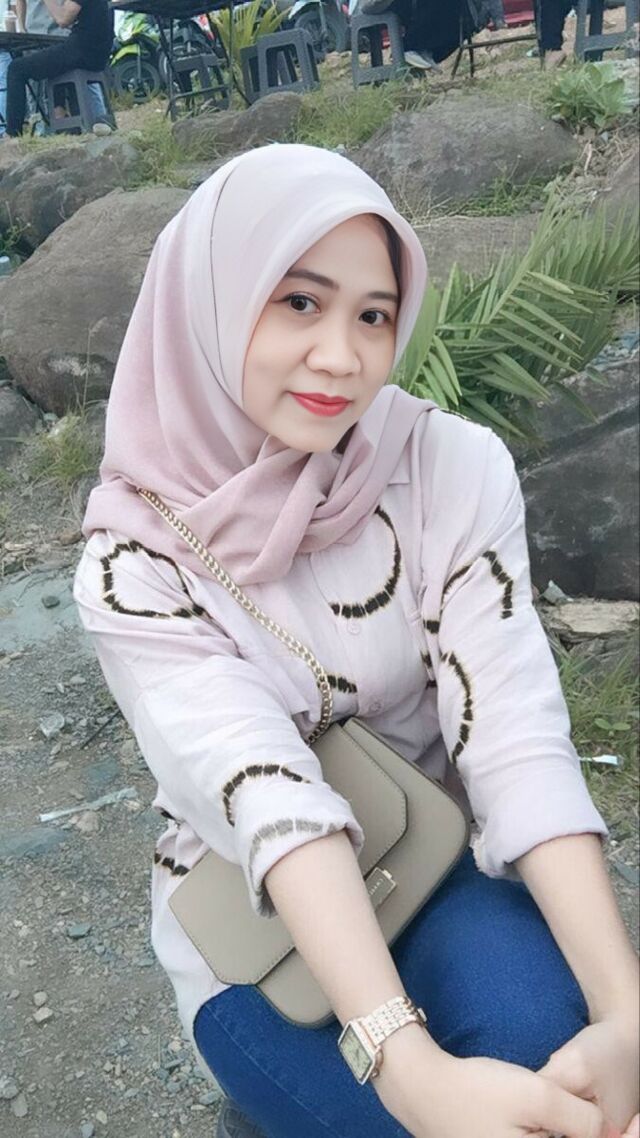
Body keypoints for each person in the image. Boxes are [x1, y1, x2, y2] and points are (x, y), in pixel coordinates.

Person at [74, 143, 640, 1138]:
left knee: (555, 1056)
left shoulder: (446, 467)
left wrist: (627, 1011)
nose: (343, 356)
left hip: (434, 857)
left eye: (373, 314)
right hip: (261, 934)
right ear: (212, 302)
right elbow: (269, 796)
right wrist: (407, 1068)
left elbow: (513, 732)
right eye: (299, 301)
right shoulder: (135, 563)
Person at [5, 0, 112, 136]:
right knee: (55, 66)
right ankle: (64, 121)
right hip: (96, 52)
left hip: (82, 49)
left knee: (16, 69)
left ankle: (12, 134)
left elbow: (62, 19)